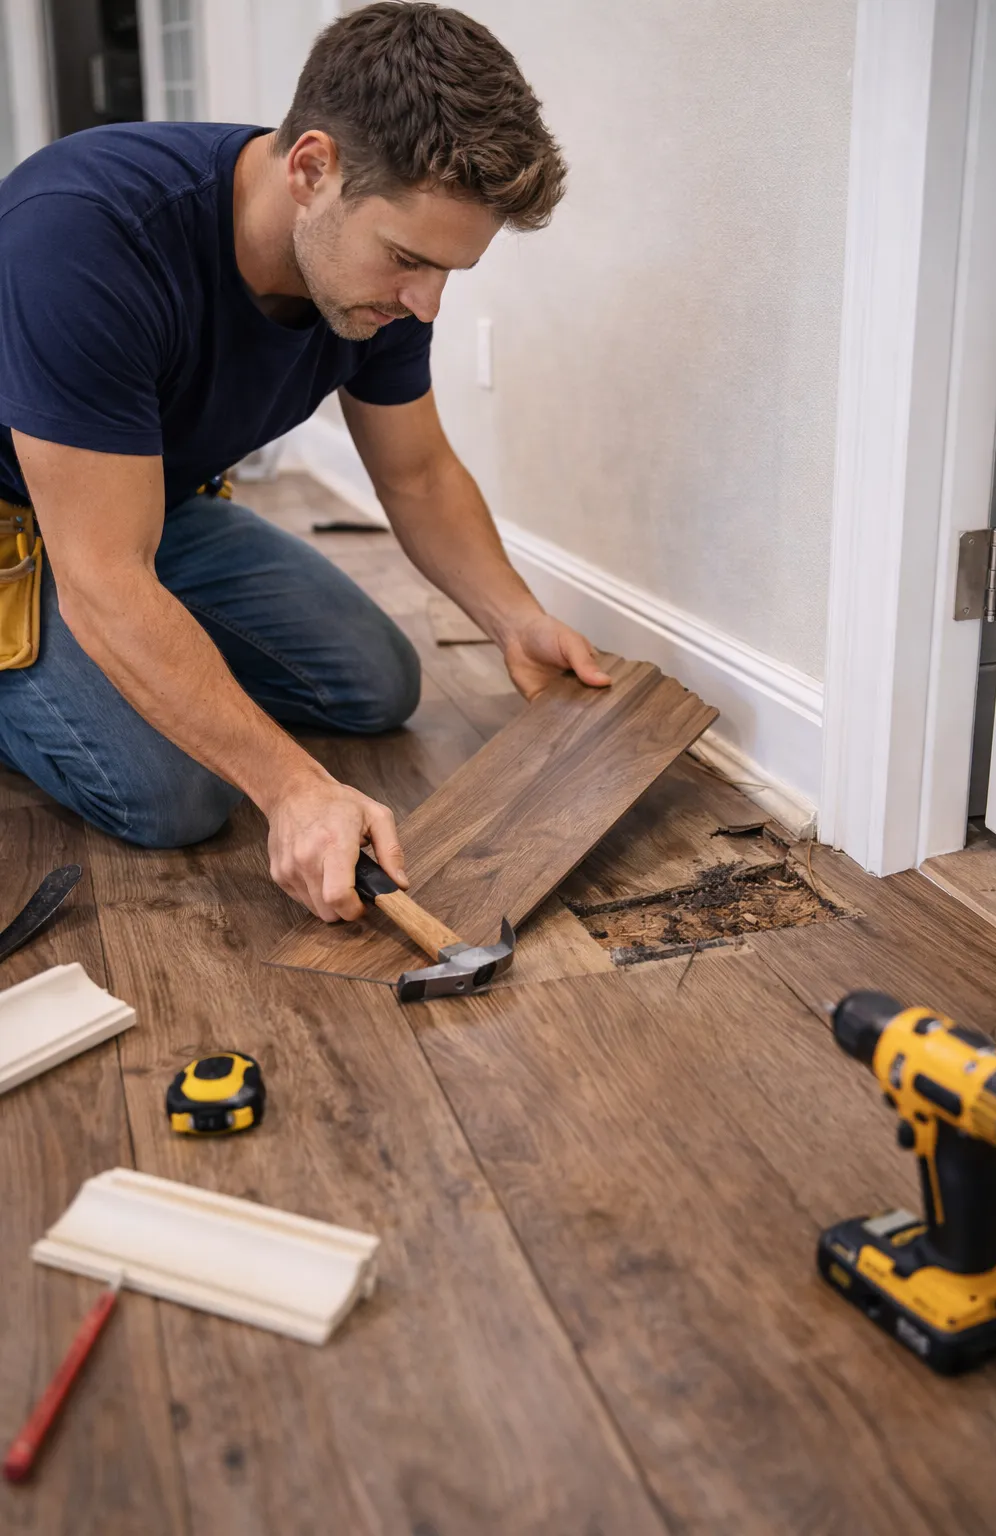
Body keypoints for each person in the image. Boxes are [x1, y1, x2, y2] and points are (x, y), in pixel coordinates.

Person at [0, 1, 609, 922]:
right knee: (178, 797)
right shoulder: (86, 235)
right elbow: (103, 581)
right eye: (408, 259)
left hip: (139, 511)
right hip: (30, 539)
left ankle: (148, 674)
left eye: (449, 271)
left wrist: (512, 618)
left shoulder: (376, 292)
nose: (428, 303)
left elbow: (418, 474)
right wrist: (288, 785)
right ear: (312, 168)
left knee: (373, 682)